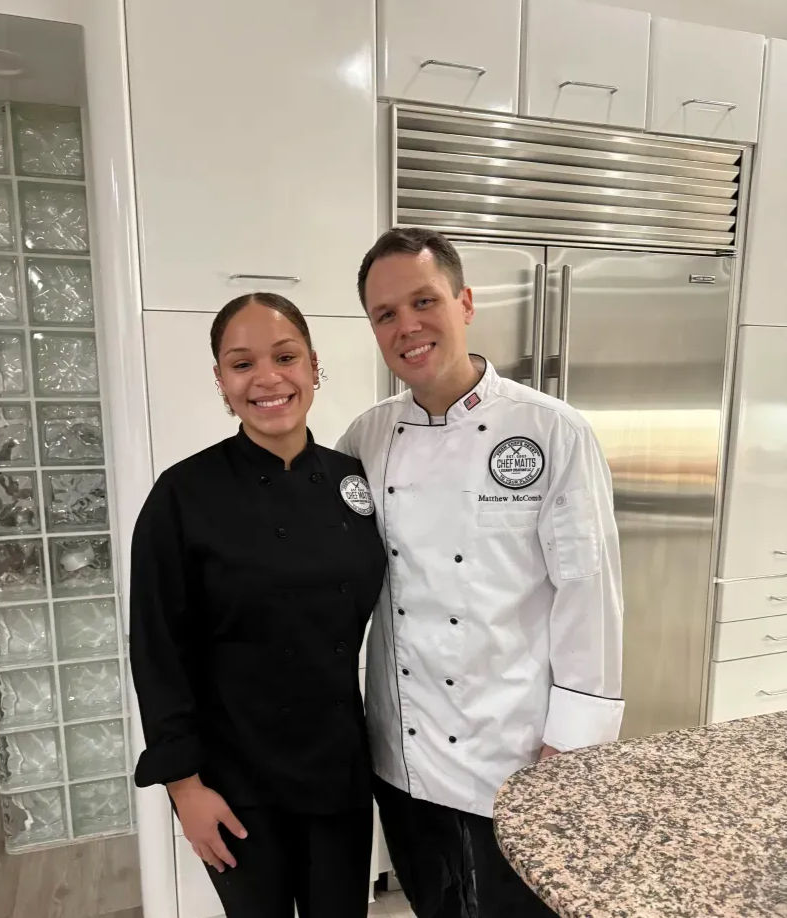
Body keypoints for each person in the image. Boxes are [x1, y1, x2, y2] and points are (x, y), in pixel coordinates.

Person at [337, 228, 625, 918]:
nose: (406, 326)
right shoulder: (365, 438)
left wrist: (574, 749)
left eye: (423, 300)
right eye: (384, 314)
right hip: (401, 758)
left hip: (514, 755)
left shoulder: (551, 430)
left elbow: (588, 596)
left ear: (464, 302)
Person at [129, 293, 387, 918]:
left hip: (337, 764)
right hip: (232, 780)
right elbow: (157, 649)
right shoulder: (183, 495)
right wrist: (184, 789)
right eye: (241, 364)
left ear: (314, 366)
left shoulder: (354, 481)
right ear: (221, 381)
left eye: (286, 356)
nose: (268, 378)